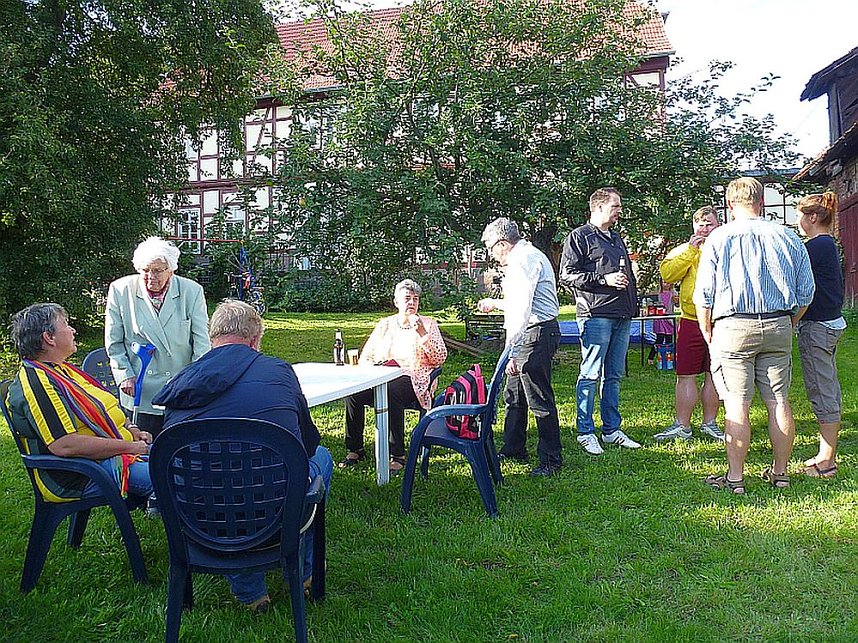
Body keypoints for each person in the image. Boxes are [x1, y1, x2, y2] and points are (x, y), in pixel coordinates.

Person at [153, 299, 333, 613]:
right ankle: (304, 573)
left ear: (212, 339)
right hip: (276, 513)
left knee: (223, 477)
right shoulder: (278, 370)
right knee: (322, 459)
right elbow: (305, 445)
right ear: (255, 339)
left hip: (199, 516)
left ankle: (251, 592)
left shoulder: (182, 383)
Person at [694, 177, 815, 494]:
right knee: (778, 401)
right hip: (777, 324)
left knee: (736, 403)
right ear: (761, 202)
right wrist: (789, 322)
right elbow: (806, 294)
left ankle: (735, 479)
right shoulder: (788, 236)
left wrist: (707, 329)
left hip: (732, 326)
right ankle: (781, 474)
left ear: (730, 205)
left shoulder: (718, 238)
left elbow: (703, 294)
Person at [6, 303, 152, 503]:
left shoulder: (63, 371)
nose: (72, 330)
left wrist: (132, 428)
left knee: (185, 462)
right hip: (82, 473)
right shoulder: (36, 383)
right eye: (65, 324)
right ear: (49, 338)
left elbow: (104, 406)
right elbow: (65, 445)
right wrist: (129, 447)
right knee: (178, 477)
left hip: (111, 456)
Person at [478, 218, 563, 477]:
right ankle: (514, 447)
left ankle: (551, 460)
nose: (492, 255)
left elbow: (522, 309)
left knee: (539, 398)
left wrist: (512, 351)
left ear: (503, 244)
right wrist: (496, 304)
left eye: (492, 248)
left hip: (535, 335)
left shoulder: (522, 261)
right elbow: (522, 302)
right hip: (532, 331)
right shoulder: (525, 257)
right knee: (514, 395)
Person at [559, 187, 641, 455]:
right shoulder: (579, 237)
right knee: (590, 374)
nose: (619, 211)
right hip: (595, 315)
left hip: (622, 314)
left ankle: (611, 430)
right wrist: (602, 280)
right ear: (599, 207)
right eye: (616, 206)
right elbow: (567, 276)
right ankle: (585, 431)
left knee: (614, 376)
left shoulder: (616, 238)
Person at [105, 237, 210, 437]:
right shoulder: (120, 290)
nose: (151, 276)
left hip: (180, 388)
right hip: (140, 389)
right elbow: (114, 343)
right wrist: (124, 375)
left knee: (178, 449)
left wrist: (192, 381)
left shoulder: (191, 291)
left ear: (171, 269)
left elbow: (202, 343)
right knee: (142, 452)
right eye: (145, 270)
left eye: (158, 270)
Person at [340, 279, 447, 472]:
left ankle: (397, 454)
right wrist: (369, 369)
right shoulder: (385, 324)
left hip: (415, 380)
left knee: (392, 388)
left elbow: (439, 358)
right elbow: (368, 354)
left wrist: (422, 333)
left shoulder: (429, 324)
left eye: (415, 299)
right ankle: (354, 448)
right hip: (382, 376)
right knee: (354, 392)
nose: (412, 303)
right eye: (407, 298)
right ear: (396, 302)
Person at [655, 206, 724, 441]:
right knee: (685, 374)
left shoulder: (726, 248)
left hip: (720, 321)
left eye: (709, 224)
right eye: (700, 224)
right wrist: (691, 252)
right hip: (691, 320)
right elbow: (668, 275)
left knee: (713, 373)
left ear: (718, 226)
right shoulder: (684, 250)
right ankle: (682, 425)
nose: (704, 229)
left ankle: (710, 423)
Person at [794, 192, 846, 479]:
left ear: (813, 217)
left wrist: (792, 320)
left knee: (822, 390)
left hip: (818, 327)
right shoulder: (828, 244)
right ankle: (826, 454)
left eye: (802, 215)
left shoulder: (816, 246)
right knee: (828, 387)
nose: (800, 221)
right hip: (829, 324)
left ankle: (826, 461)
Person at [646, 280, 676, 365]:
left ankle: (668, 359)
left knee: (669, 340)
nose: (666, 284)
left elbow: (677, 305)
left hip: (669, 319)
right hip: (659, 319)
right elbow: (650, 303)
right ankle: (651, 358)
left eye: (668, 282)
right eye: (664, 282)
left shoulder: (673, 294)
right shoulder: (657, 294)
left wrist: (677, 301)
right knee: (659, 339)